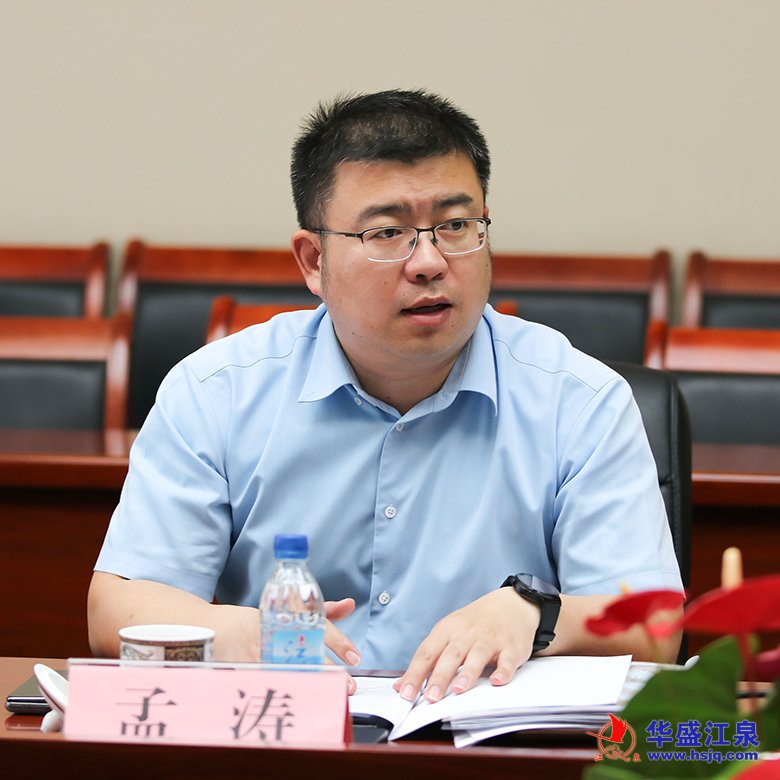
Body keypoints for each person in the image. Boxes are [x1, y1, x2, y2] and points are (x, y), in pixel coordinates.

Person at [88, 89, 683, 703]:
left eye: (456, 225)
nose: (429, 262)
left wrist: (536, 613)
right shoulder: (217, 392)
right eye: (387, 232)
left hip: (485, 738)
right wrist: (238, 633)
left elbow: (656, 625)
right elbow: (117, 610)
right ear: (313, 260)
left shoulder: (580, 401)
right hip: (287, 732)